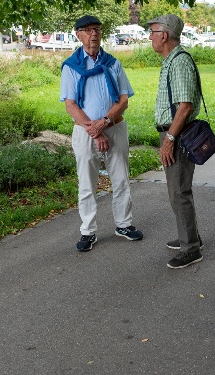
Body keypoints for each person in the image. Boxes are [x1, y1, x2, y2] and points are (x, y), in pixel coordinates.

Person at [60, 15, 143, 252]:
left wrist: (104, 123)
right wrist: (95, 131)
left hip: (115, 128)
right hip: (85, 132)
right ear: (78, 35)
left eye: (96, 29)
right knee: (87, 183)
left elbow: (124, 99)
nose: (93, 34)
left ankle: (124, 225)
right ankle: (88, 231)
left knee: (121, 179)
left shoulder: (113, 63)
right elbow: (71, 105)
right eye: (87, 30)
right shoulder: (71, 66)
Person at [148, 14, 203, 269]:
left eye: (153, 31)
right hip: (174, 132)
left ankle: (190, 248)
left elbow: (184, 106)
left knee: (179, 191)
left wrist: (169, 138)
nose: (150, 36)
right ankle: (190, 237)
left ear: (164, 35)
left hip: (177, 133)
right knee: (178, 190)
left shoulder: (179, 62)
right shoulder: (172, 60)